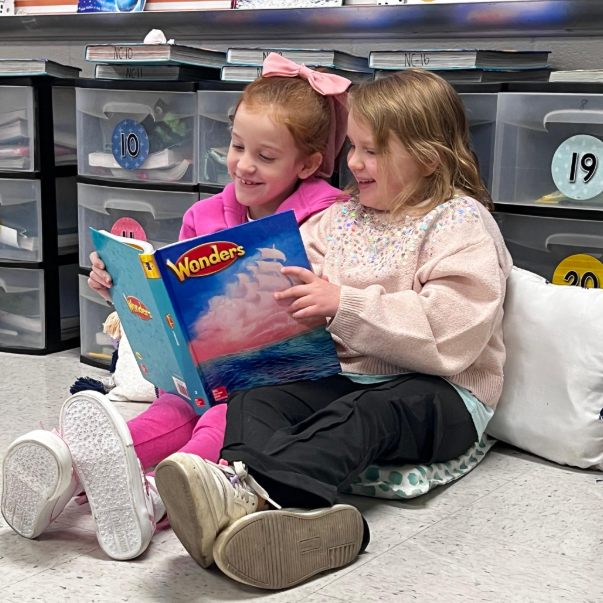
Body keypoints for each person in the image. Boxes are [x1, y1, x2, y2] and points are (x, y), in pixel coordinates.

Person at [154, 69, 514, 590]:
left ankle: (266, 494)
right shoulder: (341, 218)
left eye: (370, 151)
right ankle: (267, 505)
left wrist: (342, 305)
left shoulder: (461, 223)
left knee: (372, 409)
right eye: (352, 148)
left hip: (444, 394)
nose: (353, 163)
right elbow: (290, 284)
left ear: (427, 158)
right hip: (348, 375)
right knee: (258, 399)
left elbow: (450, 335)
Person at [0, 54, 351, 562]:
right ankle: (69, 462)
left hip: (274, 383)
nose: (244, 165)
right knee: (170, 410)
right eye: (236, 147)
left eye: (265, 156)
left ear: (308, 163)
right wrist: (119, 284)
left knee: (219, 423)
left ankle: (160, 495)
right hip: (197, 370)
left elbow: (340, 298)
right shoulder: (203, 214)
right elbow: (164, 292)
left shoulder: (329, 219)